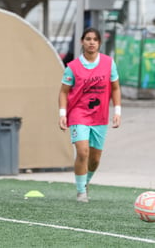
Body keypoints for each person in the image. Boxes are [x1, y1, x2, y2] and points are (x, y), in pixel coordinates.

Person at [58, 27, 121, 203]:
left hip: (100, 116)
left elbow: (115, 88)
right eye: (88, 39)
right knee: (83, 151)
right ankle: (81, 193)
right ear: (81, 42)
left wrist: (117, 111)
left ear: (99, 43)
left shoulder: (109, 63)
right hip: (79, 114)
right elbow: (63, 92)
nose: (91, 42)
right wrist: (63, 114)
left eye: (95, 39)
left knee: (94, 159)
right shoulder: (73, 67)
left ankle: (85, 182)